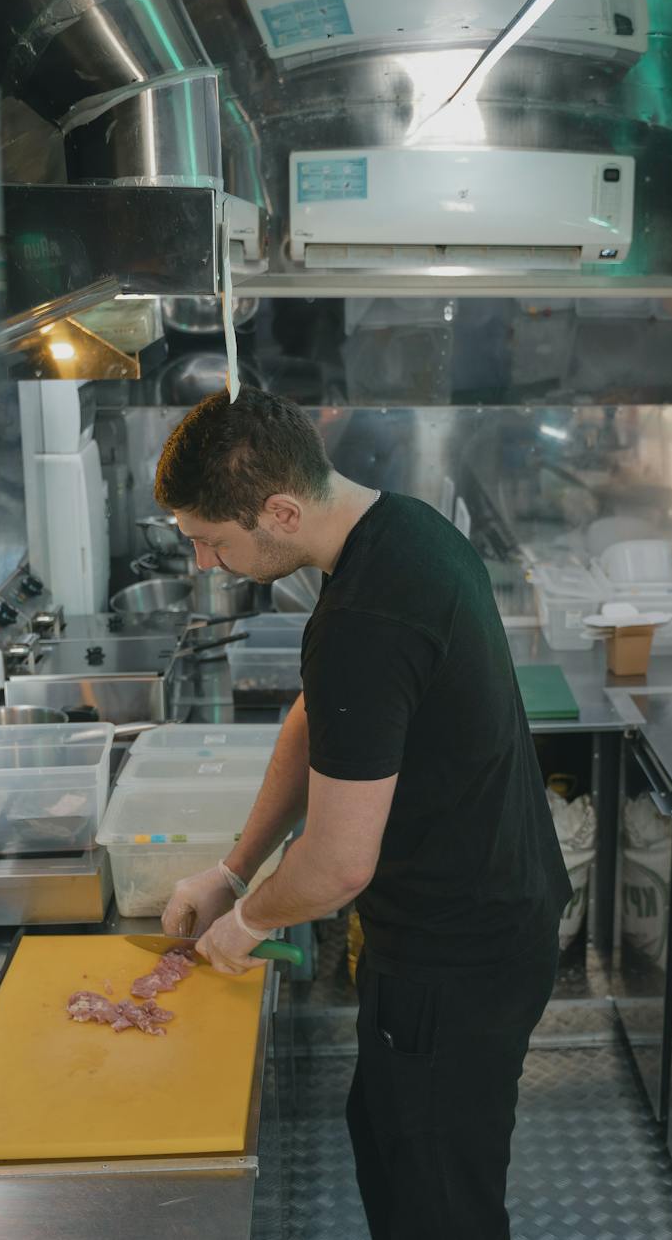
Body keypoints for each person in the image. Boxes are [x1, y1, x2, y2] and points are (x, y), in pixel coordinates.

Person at [155, 386, 568, 1239]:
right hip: (478, 919)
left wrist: (243, 921)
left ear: (278, 509)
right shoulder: (401, 531)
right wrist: (233, 868)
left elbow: (340, 864)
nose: (203, 563)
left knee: (438, 1204)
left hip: (456, 955)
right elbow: (321, 716)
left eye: (212, 541)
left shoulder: (367, 616)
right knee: (388, 1145)